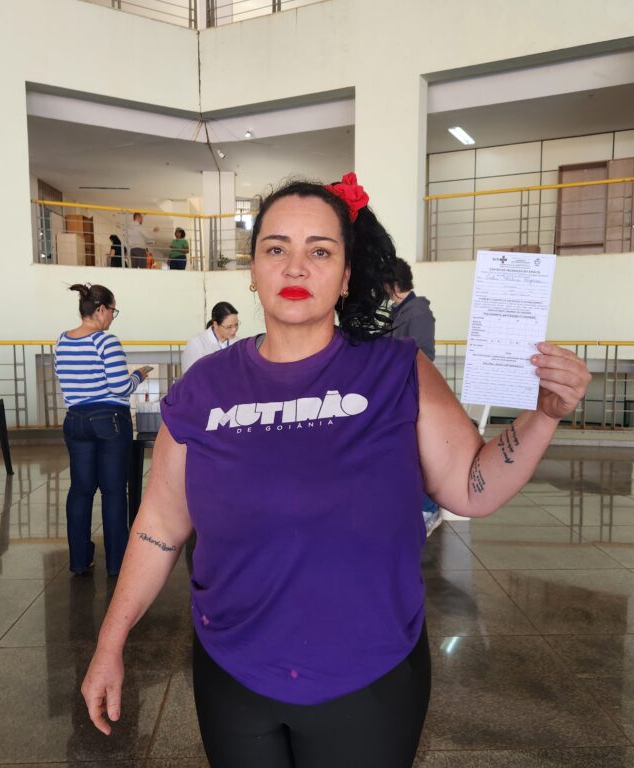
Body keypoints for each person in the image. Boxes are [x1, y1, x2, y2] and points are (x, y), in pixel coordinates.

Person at [80, 173, 590, 767]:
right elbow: (159, 527)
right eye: (276, 249)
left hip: (369, 680)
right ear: (253, 270)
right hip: (231, 673)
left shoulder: (397, 372)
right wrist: (110, 642)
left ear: (347, 274)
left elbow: (473, 487)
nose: (296, 267)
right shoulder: (204, 388)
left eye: (320, 251)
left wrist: (544, 416)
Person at [55, 284, 151, 577]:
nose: (112, 317)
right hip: (109, 421)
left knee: (81, 490)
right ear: (100, 310)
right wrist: (139, 375)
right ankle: (117, 563)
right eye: (112, 311)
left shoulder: (62, 340)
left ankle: (80, 560)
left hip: (75, 420)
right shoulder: (105, 341)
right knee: (113, 491)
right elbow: (120, 387)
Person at [388, 257, 442, 535]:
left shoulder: (417, 312)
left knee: (401, 450)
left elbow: (423, 356)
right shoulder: (399, 312)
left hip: (410, 393)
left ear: (393, 284)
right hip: (399, 390)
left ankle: (429, 507)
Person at [181, 301, 239, 373]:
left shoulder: (238, 343)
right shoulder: (197, 343)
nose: (234, 330)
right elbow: (190, 374)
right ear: (215, 324)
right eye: (229, 327)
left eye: (236, 325)